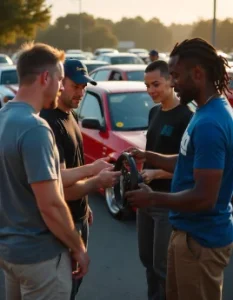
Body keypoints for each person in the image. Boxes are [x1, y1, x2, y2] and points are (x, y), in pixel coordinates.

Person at [126, 38, 233, 300]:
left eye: (175, 76)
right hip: (186, 235)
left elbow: (204, 197)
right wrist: (147, 155)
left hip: (200, 242)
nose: (172, 82)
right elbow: (188, 162)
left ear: (197, 74)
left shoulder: (210, 122)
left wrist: (152, 198)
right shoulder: (203, 111)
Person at [0, 43, 90, 300]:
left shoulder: (3, 117)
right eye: (60, 79)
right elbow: (50, 204)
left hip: (10, 255)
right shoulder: (35, 128)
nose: (62, 86)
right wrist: (78, 247)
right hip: (40, 259)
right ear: (45, 78)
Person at [40, 59, 121, 299]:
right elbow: (59, 188)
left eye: (84, 86)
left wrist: (85, 207)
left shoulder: (71, 116)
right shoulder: (49, 123)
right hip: (61, 225)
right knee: (62, 290)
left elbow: (74, 167)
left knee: (73, 286)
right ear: (59, 83)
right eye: (76, 85)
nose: (81, 92)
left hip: (78, 216)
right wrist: (96, 179)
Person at [137, 60, 193, 300]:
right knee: (147, 260)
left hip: (168, 202)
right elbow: (152, 153)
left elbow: (189, 166)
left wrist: (156, 174)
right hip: (146, 198)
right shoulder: (153, 112)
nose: (151, 91)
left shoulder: (187, 118)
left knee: (162, 266)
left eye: (156, 84)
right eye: (147, 85)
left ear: (171, 80)